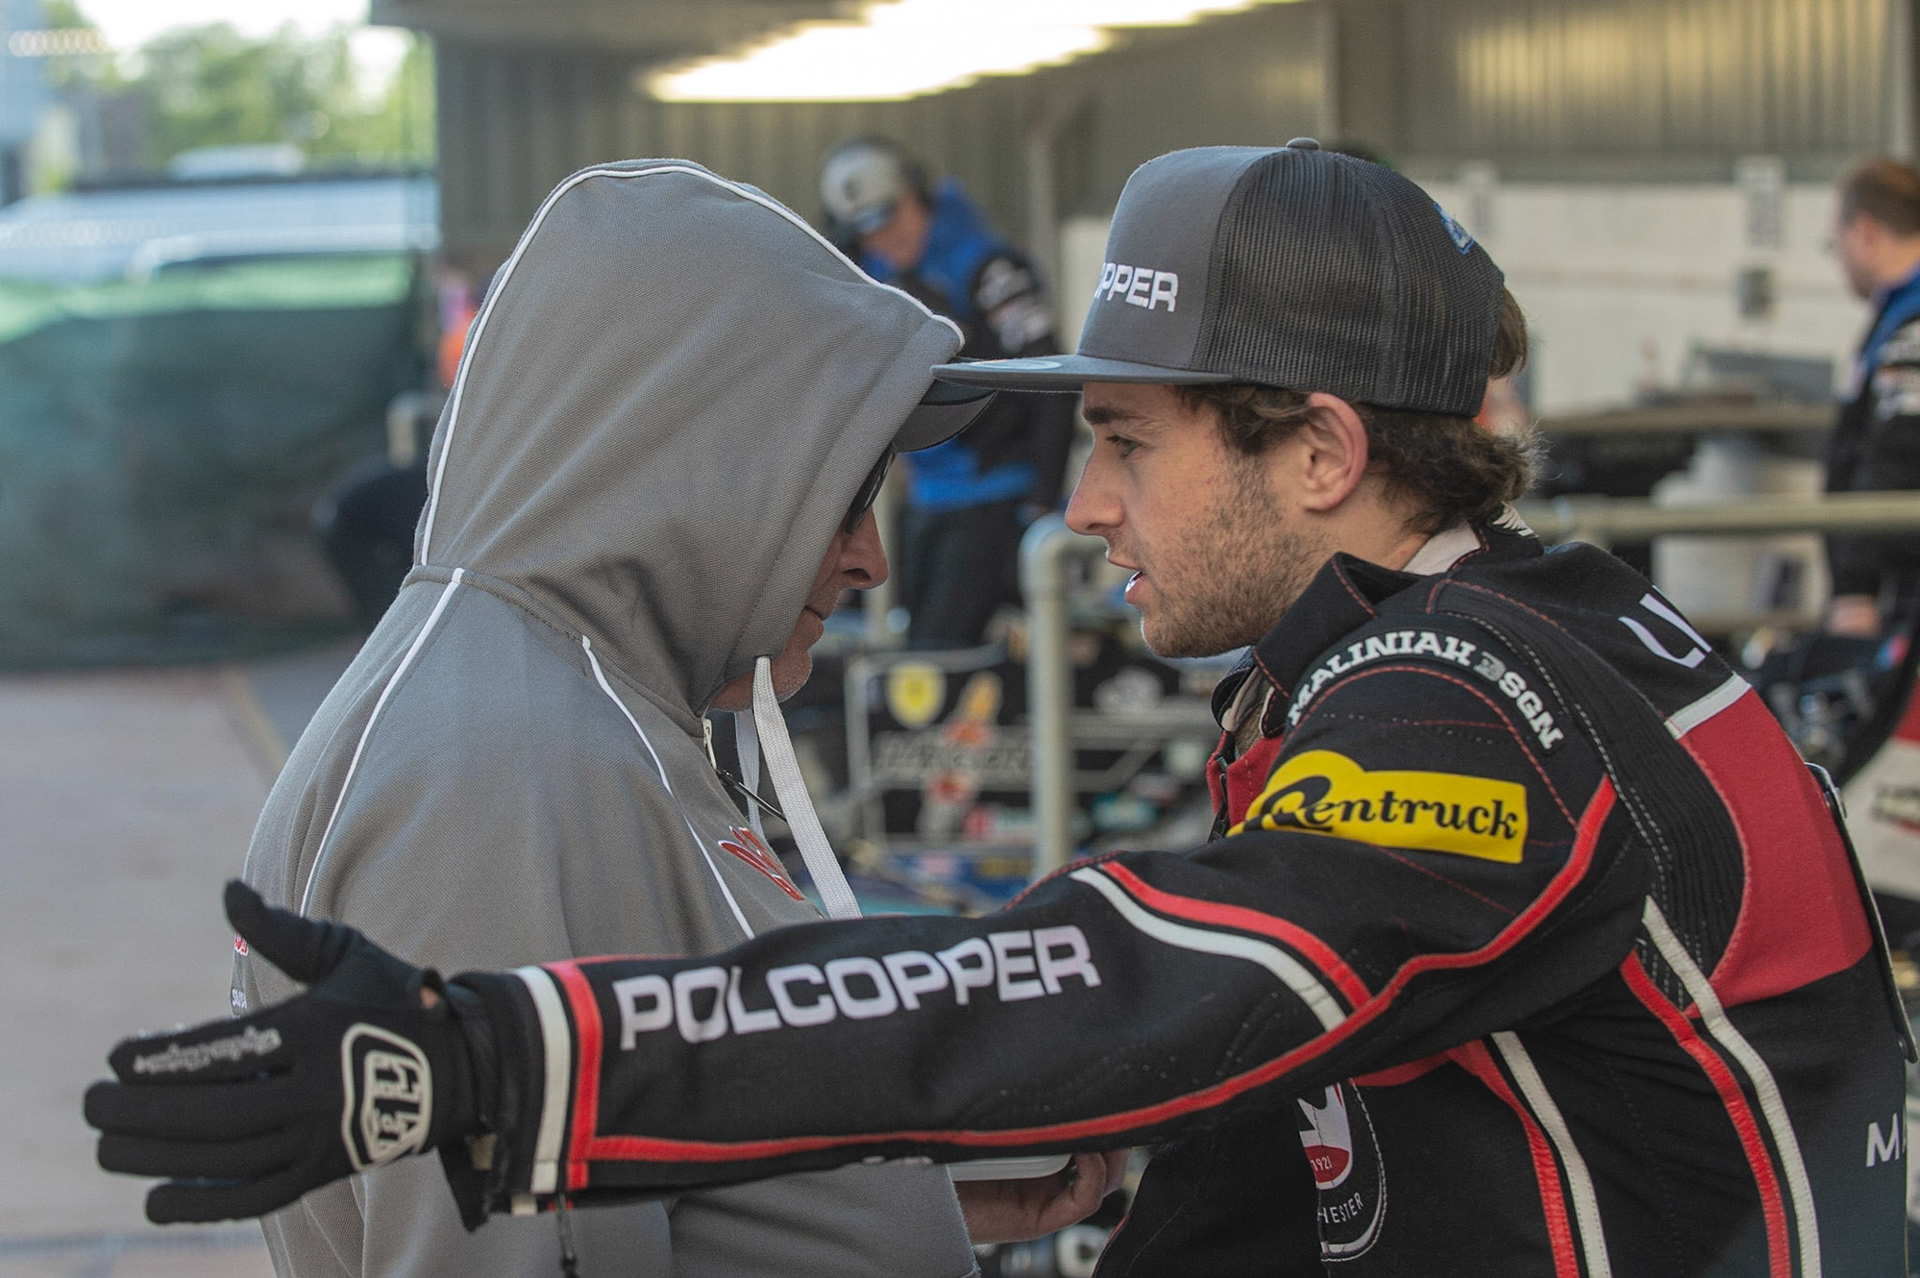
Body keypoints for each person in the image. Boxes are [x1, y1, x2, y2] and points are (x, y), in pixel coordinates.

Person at [92, 144, 1913, 1274]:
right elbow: (1265, 1132)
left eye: (1125, 441)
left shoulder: (1470, 708)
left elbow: (1112, 975)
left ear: (1321, 450)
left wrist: (518, 1058)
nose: (1084, 506)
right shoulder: (1485, 640)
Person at [202, 159, 1007, 1278]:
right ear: (699, 461)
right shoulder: (503, 785)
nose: (869, 556)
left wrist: (888, 1190)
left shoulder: (557, 707)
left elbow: (661, 1136)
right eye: (841, 493)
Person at [820, 137, 1078, 648]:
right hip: (927, 501)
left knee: (942, 657)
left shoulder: (987, 267)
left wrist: (1043, 500)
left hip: (999, 498)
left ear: (917, 195)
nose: (882, 237)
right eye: (864, 229)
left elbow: (1052, 379)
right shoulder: (876, 275)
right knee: (912, 649)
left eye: (890, 217)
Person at [1826, 157, 1920, 639]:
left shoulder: (1913, 326)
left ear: (1864, 231)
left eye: (1835, 243)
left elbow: (1896, 454)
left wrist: (1855, 587)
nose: (1839, 260)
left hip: (1902, 585)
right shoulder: (1898, 313)